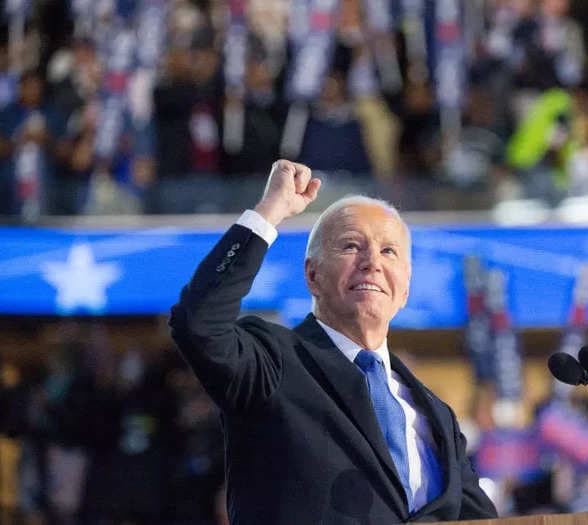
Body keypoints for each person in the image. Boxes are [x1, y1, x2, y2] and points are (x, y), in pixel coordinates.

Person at [170, 160, 497, 523]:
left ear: (404, 289)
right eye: (351, 246)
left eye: (389, 252)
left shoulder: (437, 415)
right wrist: (270, 213)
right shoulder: (272, 363)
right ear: (312, 275)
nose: (372, 262)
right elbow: (198, 323)